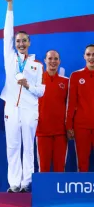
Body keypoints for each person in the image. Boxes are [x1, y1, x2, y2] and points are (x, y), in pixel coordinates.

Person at [1, 0, 45, 193]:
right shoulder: (9, 58)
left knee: (29, 146)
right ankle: (14, 183)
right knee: (12, 146)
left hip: (29, 108)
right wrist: (10, 5)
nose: (20, 43)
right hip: (11, 106)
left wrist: (29, 86)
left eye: (24, 41)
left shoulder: (37, 65)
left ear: (29, 43)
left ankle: (27, 182)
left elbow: (41, 91)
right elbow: (7, 33)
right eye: (18, 41)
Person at [36, 50, 68, 172]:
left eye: (56, 59)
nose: (53, 61)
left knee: (60, 168)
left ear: (59, 61)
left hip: (61, 132)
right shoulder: (37, 80)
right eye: (50, 59)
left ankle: (58, 191)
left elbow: (69, 106)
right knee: (43, 168)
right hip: (42, 131)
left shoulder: (66, 81)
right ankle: (43, 191)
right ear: (45, 61)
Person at [66, 44, 94, 172]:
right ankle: (82, 191)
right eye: (88, 54)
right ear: (84, 56)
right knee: (82, 162)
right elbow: (71, 103)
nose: (91, 57)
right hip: (81, 125)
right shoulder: (76, 76)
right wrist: (69, 126)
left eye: (93, 55)